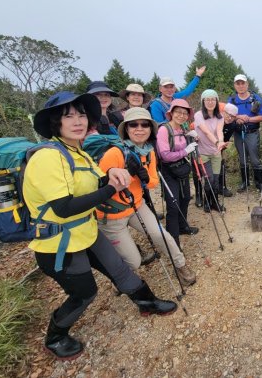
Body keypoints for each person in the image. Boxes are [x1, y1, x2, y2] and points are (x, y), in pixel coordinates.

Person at [25, 91, 176, 360]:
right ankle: (56, 336)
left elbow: (96, 180)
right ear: (55, 123)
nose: (77, 121)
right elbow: (64, 208)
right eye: (68, 116)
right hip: (58, 243)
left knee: (121, 270)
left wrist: (110, 173)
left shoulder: (77, 153)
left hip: (86, 231)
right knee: (85, 294)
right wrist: (111, 187)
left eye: (81, 115)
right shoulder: (47, 157)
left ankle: (147, 302)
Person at [96, 107, 196, 286]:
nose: (139, 128)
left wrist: (143, 176)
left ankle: (180, 265)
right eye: (133, 124)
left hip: (136, 206)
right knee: (133, 262)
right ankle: (119, 277)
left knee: (161, 235)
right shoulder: (115, 153)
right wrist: (118, 174)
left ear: (150, 129)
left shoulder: (149, 152)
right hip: (111, 215)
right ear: (126, 129)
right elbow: (97, 184)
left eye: (144, 125)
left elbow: (152, 183)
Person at [157, 99, 199, 247]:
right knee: (173, 204)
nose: (181, 115)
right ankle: (173, 239)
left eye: (184, 113)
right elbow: (164, 155)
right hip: (168, 170)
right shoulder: (164, 130)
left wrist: (191, 138)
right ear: (171, 113)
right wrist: (185, 151)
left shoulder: (182, 129)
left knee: (186, 198)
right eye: (178, 112)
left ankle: (183, 226)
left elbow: (185, 143)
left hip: (181, 168)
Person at [229, 74, 262, 193]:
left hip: (252, 132)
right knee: (242, 158)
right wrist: (238, 118)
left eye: (242, 83)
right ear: (235, 85)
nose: (240, 86)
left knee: (255, 159)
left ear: (247, 84)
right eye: (238, 83)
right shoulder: (232, 99)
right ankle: (245, 182)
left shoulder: (255, 98)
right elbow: (228, 115)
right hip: (238, 133)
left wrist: (248, 119)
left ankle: (259, 184)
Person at [194, 89, 228, 212]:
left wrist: (221, 142)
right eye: (207, 99)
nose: (210, 102)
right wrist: (217, 142)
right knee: (209, 179)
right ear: (203, 101)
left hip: (215, 153)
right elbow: (207, 132)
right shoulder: (198, 115)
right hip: (203, 153)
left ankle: (215, 202)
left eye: (213, 99)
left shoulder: (220, 116)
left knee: (216, 180)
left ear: (216, 101)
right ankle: (207, 201)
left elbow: (219, 131)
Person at [220, 103, 238, 197]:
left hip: (220, 146)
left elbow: (226, 138)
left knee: (221, 164)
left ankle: (222, 187)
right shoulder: (215, 120)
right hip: (206, 146)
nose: (230, 118)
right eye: (228, 114)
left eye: (233, 116)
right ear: (223, 112)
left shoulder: (232, 125)